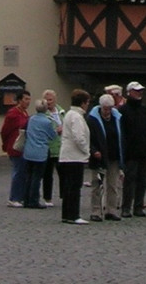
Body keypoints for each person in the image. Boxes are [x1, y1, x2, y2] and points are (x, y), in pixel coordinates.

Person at [87, 93, 125, 221]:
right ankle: (96, 211)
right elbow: (89, 138)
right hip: (98, 157)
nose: (107, 111)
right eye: (105, 108)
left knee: (113, 185)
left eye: (109, 108)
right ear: (100, 106)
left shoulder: (117, 118)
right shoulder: (92, 119)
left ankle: (111, 210)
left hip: (113, 156)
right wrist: (94, 151)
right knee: (97, 184)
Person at [119, 81, 146, 218]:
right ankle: (126, 207)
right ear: (129, 92)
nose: (139, 93)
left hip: (143, 151)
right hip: (130, 152)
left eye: (141, 91)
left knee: (142, 181)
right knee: (129, 181)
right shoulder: (123, 111)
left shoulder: (145, 110)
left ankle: (138, 206)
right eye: (136, 91)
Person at [58, 88, 91, 224]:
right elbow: (79, 137)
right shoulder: (77, 117)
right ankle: (73, 215)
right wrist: (86, 150)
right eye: (87, 102)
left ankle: (67, 214)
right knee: (74, 186)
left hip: (67, 156)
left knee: (68, 187)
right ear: (83, 103)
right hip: (74, 157)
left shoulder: (69, 114)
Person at [0, 89, 32, 206]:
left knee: (23, 172)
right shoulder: (13, 114)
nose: (28, 102)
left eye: (29, 99)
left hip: (23, 146)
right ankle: (14, 198)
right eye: (26, 99)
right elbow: (5, 131)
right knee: (18, 171)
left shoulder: (24, 113)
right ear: (19, 100)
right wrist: (6, 144)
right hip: (15, 146)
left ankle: (21, 196)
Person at [22, 100, 55, 210]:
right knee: (37, 177)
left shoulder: (31, 119)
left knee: (28, 176)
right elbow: (52, 136)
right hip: (40, 152)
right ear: (45, 109)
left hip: (29, 150)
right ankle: (34, 200)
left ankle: (26, 199)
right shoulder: (47, 121)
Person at [41, 88, 65, 208]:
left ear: (54, 100)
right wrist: (56, 130)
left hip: (62, 147)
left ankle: (64, 195)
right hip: (49, 147)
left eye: (50, 99)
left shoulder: (61, 111)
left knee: (63, 173)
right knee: (47, 174)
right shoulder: (43, 113)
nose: (48, 102)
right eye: (46, 100)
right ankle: (47, 197)